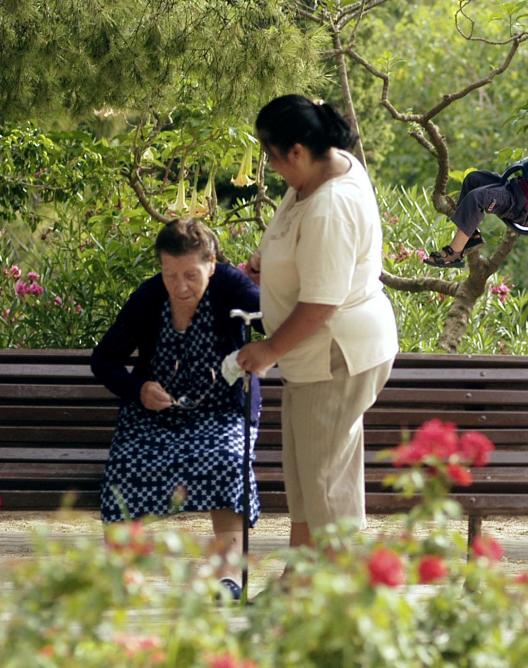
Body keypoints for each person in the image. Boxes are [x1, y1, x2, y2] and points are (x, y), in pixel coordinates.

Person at [237, 94, 399, 549]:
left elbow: (321, 303)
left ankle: (338, 598)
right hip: (314, 357)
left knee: (327, 482)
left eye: (271, 157)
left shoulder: (331, 205)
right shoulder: (326, 164)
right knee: (307, 473)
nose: (271, 168)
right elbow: (304, 247)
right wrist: (269, 262)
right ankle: (300, 578)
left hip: (336, 354)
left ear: (296, 152)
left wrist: (268, 350)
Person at [91, 218, 262, 600]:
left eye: (190, 275)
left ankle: (228, 572)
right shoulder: (149, 297)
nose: (180, 287)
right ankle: (122, 572)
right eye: (170, 275)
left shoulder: (231, 286)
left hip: (221, 411)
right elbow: (103, 360)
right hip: (156, 413)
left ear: (212, 264)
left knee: (228, 458)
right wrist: (139, 390)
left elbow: (272, 320)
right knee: (126, 460)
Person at [424, 98, 528, 268]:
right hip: (515, 189)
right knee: (474, 179)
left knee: (478, 197)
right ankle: (471, 238)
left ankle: (454, 253)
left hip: (521, 204)